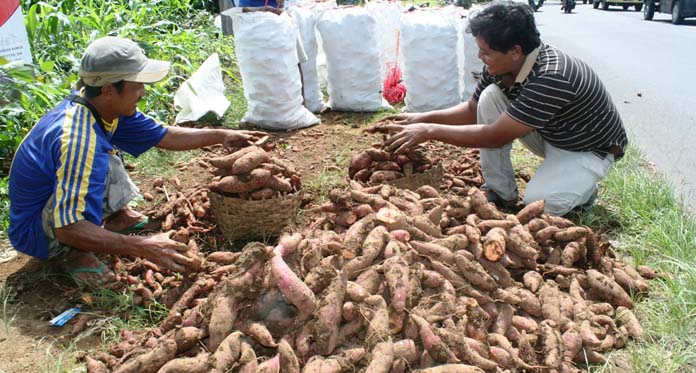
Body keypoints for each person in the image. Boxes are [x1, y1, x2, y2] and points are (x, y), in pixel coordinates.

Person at [8, 36, 265, 285]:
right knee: (97, 157)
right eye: (137, 85)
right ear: (109, 90)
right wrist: (143, 247)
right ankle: (72, 253)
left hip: (58, 204)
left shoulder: (103, 108)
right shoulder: (78, 138)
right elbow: (67, 227)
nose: (143, 92)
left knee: (103, 155)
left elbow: (163, 135)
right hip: (42, 231)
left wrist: (221, 135)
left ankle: (119, 217)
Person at [372, 1, 627, 217]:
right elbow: (472, 110)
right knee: (490, 97)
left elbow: (495, 136)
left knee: (539, 204)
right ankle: (501, 191)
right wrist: (417, 118)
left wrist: (428, 130)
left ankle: (583, 191)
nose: (481, 58)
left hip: (588, 148)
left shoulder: (552, 76)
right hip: (553, 133)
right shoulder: (502, 65)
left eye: (486, 52)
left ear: (515, 51)